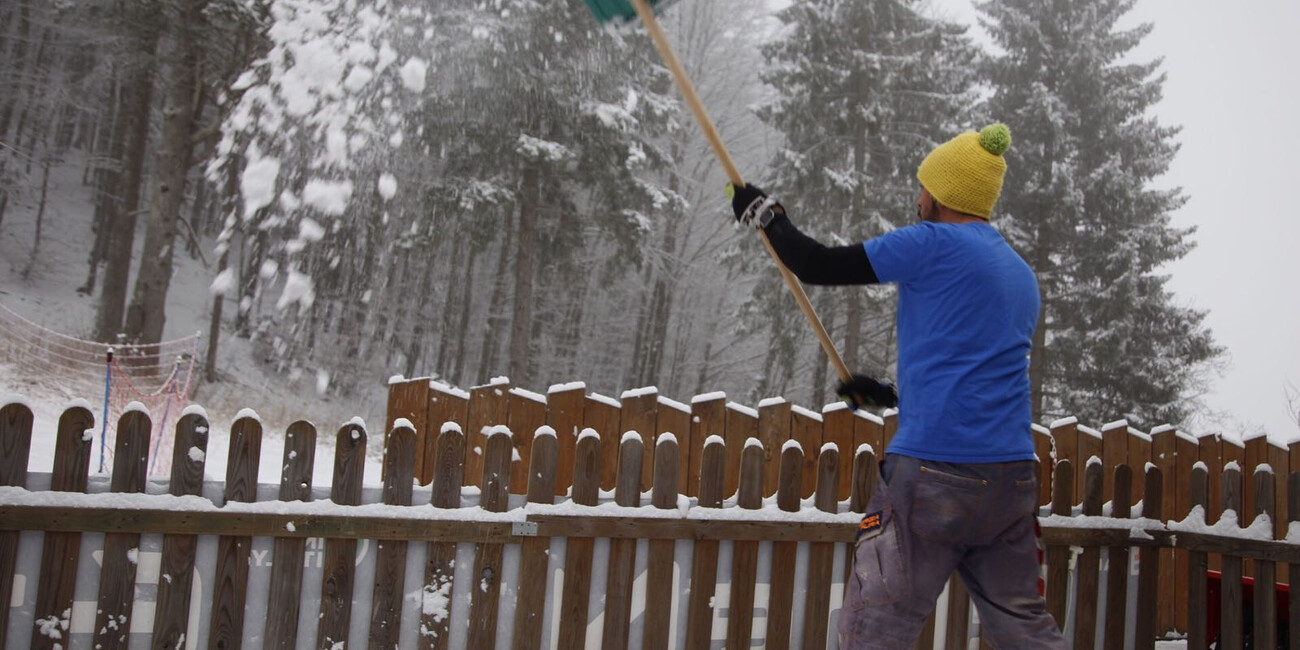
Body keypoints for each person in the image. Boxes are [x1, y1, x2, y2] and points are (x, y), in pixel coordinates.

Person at [728, 124, 1067, 649]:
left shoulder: (931, 243)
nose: (917, 199)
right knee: (1024, 628)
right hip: (1010, 480)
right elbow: (974, 371)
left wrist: (768, 217)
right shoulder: (1019, 273)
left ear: (942, 195)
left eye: (923, 188)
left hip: (933, 476)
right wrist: (888, 393)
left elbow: (816, 263)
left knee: (875, 629)